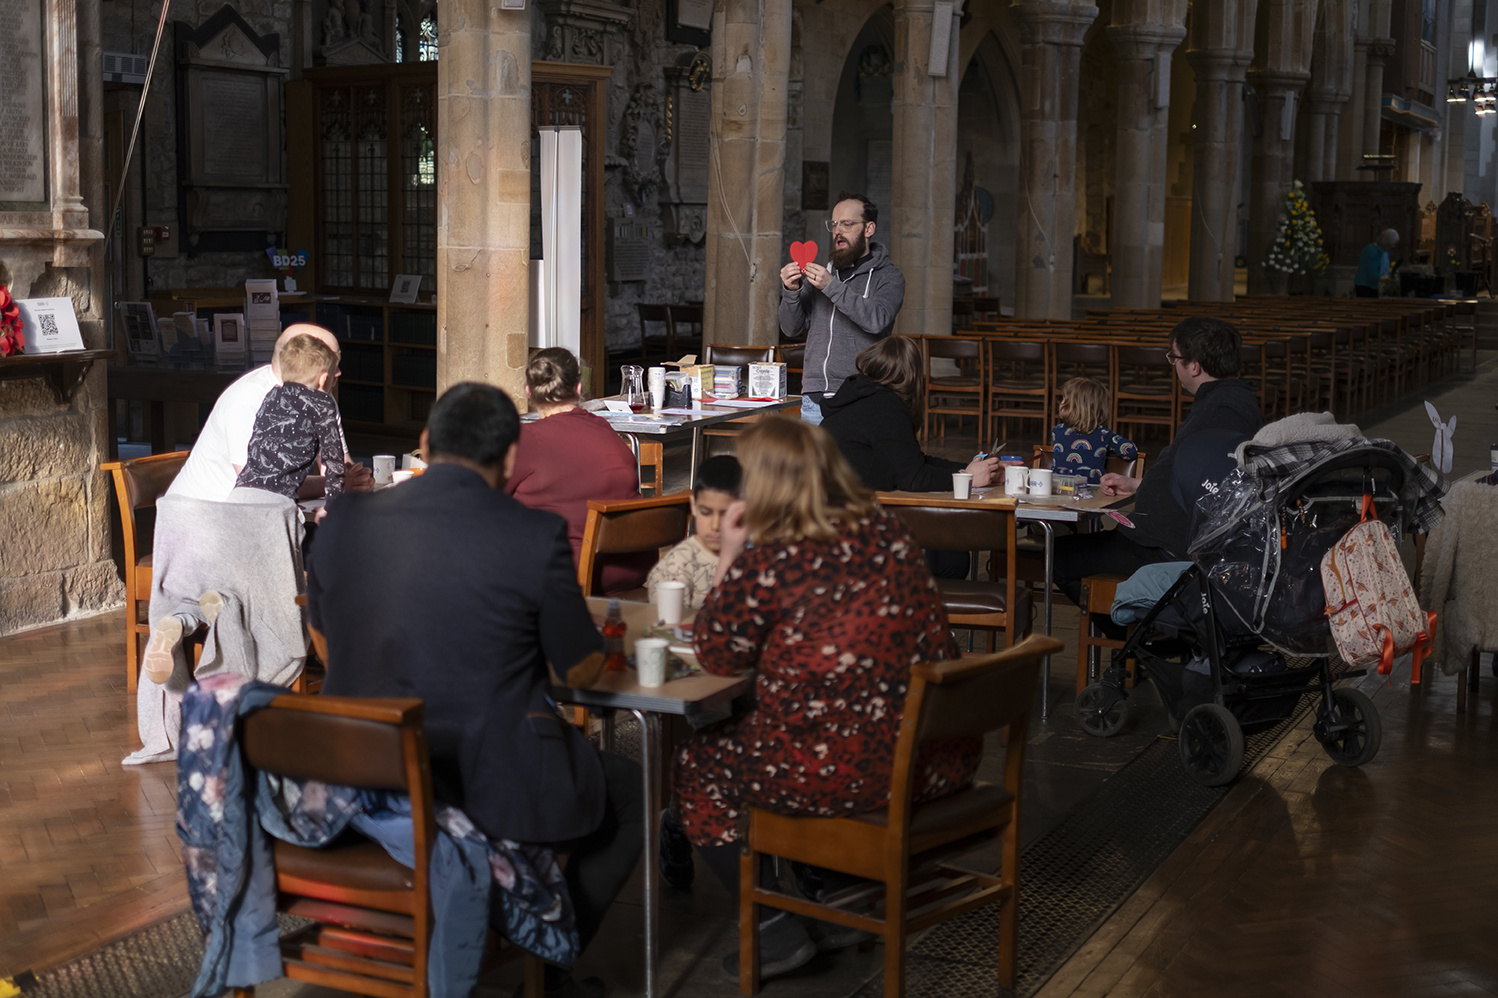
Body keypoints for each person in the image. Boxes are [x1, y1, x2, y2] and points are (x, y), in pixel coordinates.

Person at [308, 383, 642, 998]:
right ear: (510, 459)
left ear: (426, 443)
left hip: (358, 779)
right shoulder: (532, 537)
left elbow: (323, 639)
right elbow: (579, 671)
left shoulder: (343, 524)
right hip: (488, 784)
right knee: (629, 790)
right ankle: (548, 967)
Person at [672, 417, 982, 981]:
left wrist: (733, 554)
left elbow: (718, 654)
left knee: (701, 765)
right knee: (785, 725)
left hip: (859, 771)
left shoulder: (773, 559)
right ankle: (843, 896)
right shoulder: (887, 532)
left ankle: (774, 928)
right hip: (940, 755)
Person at [1051, 317, 1264, 610]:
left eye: (1174, 358)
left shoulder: (1224, 411)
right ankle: (1138, 639)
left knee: (1058, 557)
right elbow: (1195, 472)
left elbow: (1217, 489)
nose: (1173, 366)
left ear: (1194, 366)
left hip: (1167, 547)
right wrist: (1140, 483)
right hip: (1161, 536)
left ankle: (1141, 642)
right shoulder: (1224, 400)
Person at [167, 322, 373, 502]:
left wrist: (357, 480)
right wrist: (336, 484)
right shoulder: (248, 398)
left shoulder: (319, 394)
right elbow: (262, 487)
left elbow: (339, 465)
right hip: (207, 519)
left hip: (259, 515)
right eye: (333, 362)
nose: (339, 372)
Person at [506, 347, 651, 595]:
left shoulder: (527, 440)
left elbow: (482, 497)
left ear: (528, 391)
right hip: (633, 565)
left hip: (570, 572)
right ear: (579, 388)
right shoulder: (605, 428)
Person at [778, 191, 906, 425]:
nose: (838, 231)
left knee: (852, 463)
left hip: (862, 397)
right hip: (814, 399)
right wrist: (791, 290)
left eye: (847, 224)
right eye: (834, 224)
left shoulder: (889, 277)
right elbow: (790, 328)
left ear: (869, 229)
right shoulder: (822, 274)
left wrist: (831, 286)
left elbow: (876, 320)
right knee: (813, 464)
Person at [819, 335, 1000, 491]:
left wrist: (974, 468)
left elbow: (913, 461)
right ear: (913, 377)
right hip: (848, 514)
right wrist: (968, 478)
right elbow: (914, 479)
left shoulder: (861, 397)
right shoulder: (885, 406)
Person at [233, 333, 346, 500]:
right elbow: (334, 462)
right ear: (323, 379)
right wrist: (333, 508)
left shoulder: (273, 395)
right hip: (276, 503)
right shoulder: (321, 403)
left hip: (240, 494)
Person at [645, 455, 740, 611]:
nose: (715, 525)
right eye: (706, 512)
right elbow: (668, 628)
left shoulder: (753, 556)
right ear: (694, 506)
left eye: (726, 514)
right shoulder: (674, 570)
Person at [1051, 376, 1138, 486]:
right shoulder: (1104, 434)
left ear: (1074, 407)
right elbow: (1130, 452)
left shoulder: (1057, 431)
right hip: (1092, 491)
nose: (1060, 404)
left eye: (1064, 399)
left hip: (1059, 488)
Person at [1354, 228, 1399, 298]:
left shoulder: (1384, 251)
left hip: (1374, 285)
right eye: (1392, 244)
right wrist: (1391, 281)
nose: (1393, 246)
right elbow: (1373, 275)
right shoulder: (1371, 250)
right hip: (1364, 285)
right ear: (1386, 241)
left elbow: (1384, 270)